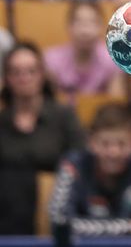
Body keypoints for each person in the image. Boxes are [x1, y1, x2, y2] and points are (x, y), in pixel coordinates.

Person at [47, 103, 131, 238]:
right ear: (91, 142)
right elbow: (59, 224)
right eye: (105, 144)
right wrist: (130, 227)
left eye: (122, 144)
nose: (113, 152)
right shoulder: (73, 166)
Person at [0, 42, 84, 172]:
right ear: (7, 78)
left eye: (31, 71)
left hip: (55, 189)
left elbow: (81, 161)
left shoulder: (64, 116)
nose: (24, 78)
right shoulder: (2, 120)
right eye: (16, 72)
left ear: (42, 74)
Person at [44, 0, 122, 102]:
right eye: (79, 22)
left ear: (102, 26)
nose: (85, 31)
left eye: (92, 22)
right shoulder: (51, 60)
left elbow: (115, 103)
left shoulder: (113, 59)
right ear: (69, 26)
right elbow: (51, 103)